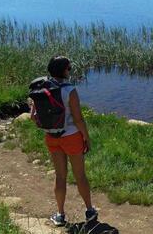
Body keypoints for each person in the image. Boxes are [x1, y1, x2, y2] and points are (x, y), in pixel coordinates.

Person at [30, 56, 97, 227]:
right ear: (63, 70)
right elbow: (79, 119)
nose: (70, 70)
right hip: (72, 137)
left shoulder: (41, 87)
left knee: (60, 177)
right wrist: (87, 139)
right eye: (69, 68)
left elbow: (33, 117)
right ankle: (90, 211)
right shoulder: (70, 90)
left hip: (52, 138)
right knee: (80, 176)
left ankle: (60, 215)